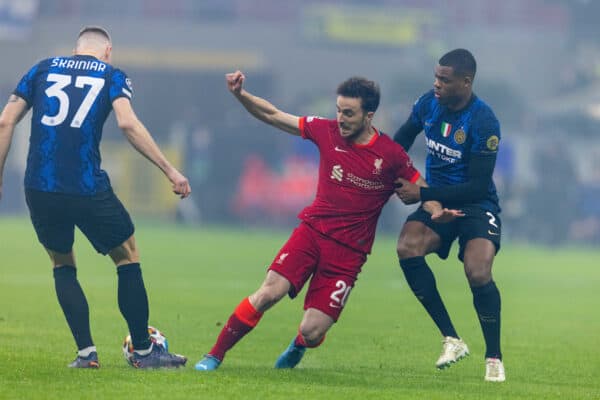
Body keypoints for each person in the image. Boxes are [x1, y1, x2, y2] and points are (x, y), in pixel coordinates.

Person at [194, 70, 462, 371]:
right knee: (269, 292)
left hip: (348, 255)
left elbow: (422, 187)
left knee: (312, 331)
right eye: (338, 110)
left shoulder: (390, 155)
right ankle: (214, 355)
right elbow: (273, 115)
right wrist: (240, 95)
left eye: (349, 113)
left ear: (369, 116)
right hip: (311, 233)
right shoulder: (326, 131)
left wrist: (437, 211)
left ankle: (299, 344)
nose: (341, 118)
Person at [0, 26, 190, 369]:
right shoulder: (111, 75)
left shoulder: (42, 68)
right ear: (107, 51)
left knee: (62, 263)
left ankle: (86, 354)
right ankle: (145, 352)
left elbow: (5, 122)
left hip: (39, 185)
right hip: (85, 184)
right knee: (127, 255)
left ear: (76, 49)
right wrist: (170, 170)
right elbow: (128, 125)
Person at [393, 49, 505, 382]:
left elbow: (477, 186)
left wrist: (423, 194)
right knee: (407, 247)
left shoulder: (484, 121)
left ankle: (494, 357)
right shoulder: (428, 103)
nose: (436, 84)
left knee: (478, 271)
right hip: (437, 202)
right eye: (436, 76)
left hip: (476, 205)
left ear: (465, 82)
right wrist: (389, 166)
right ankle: (452, 339)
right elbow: (400, 142)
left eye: (444, 79)